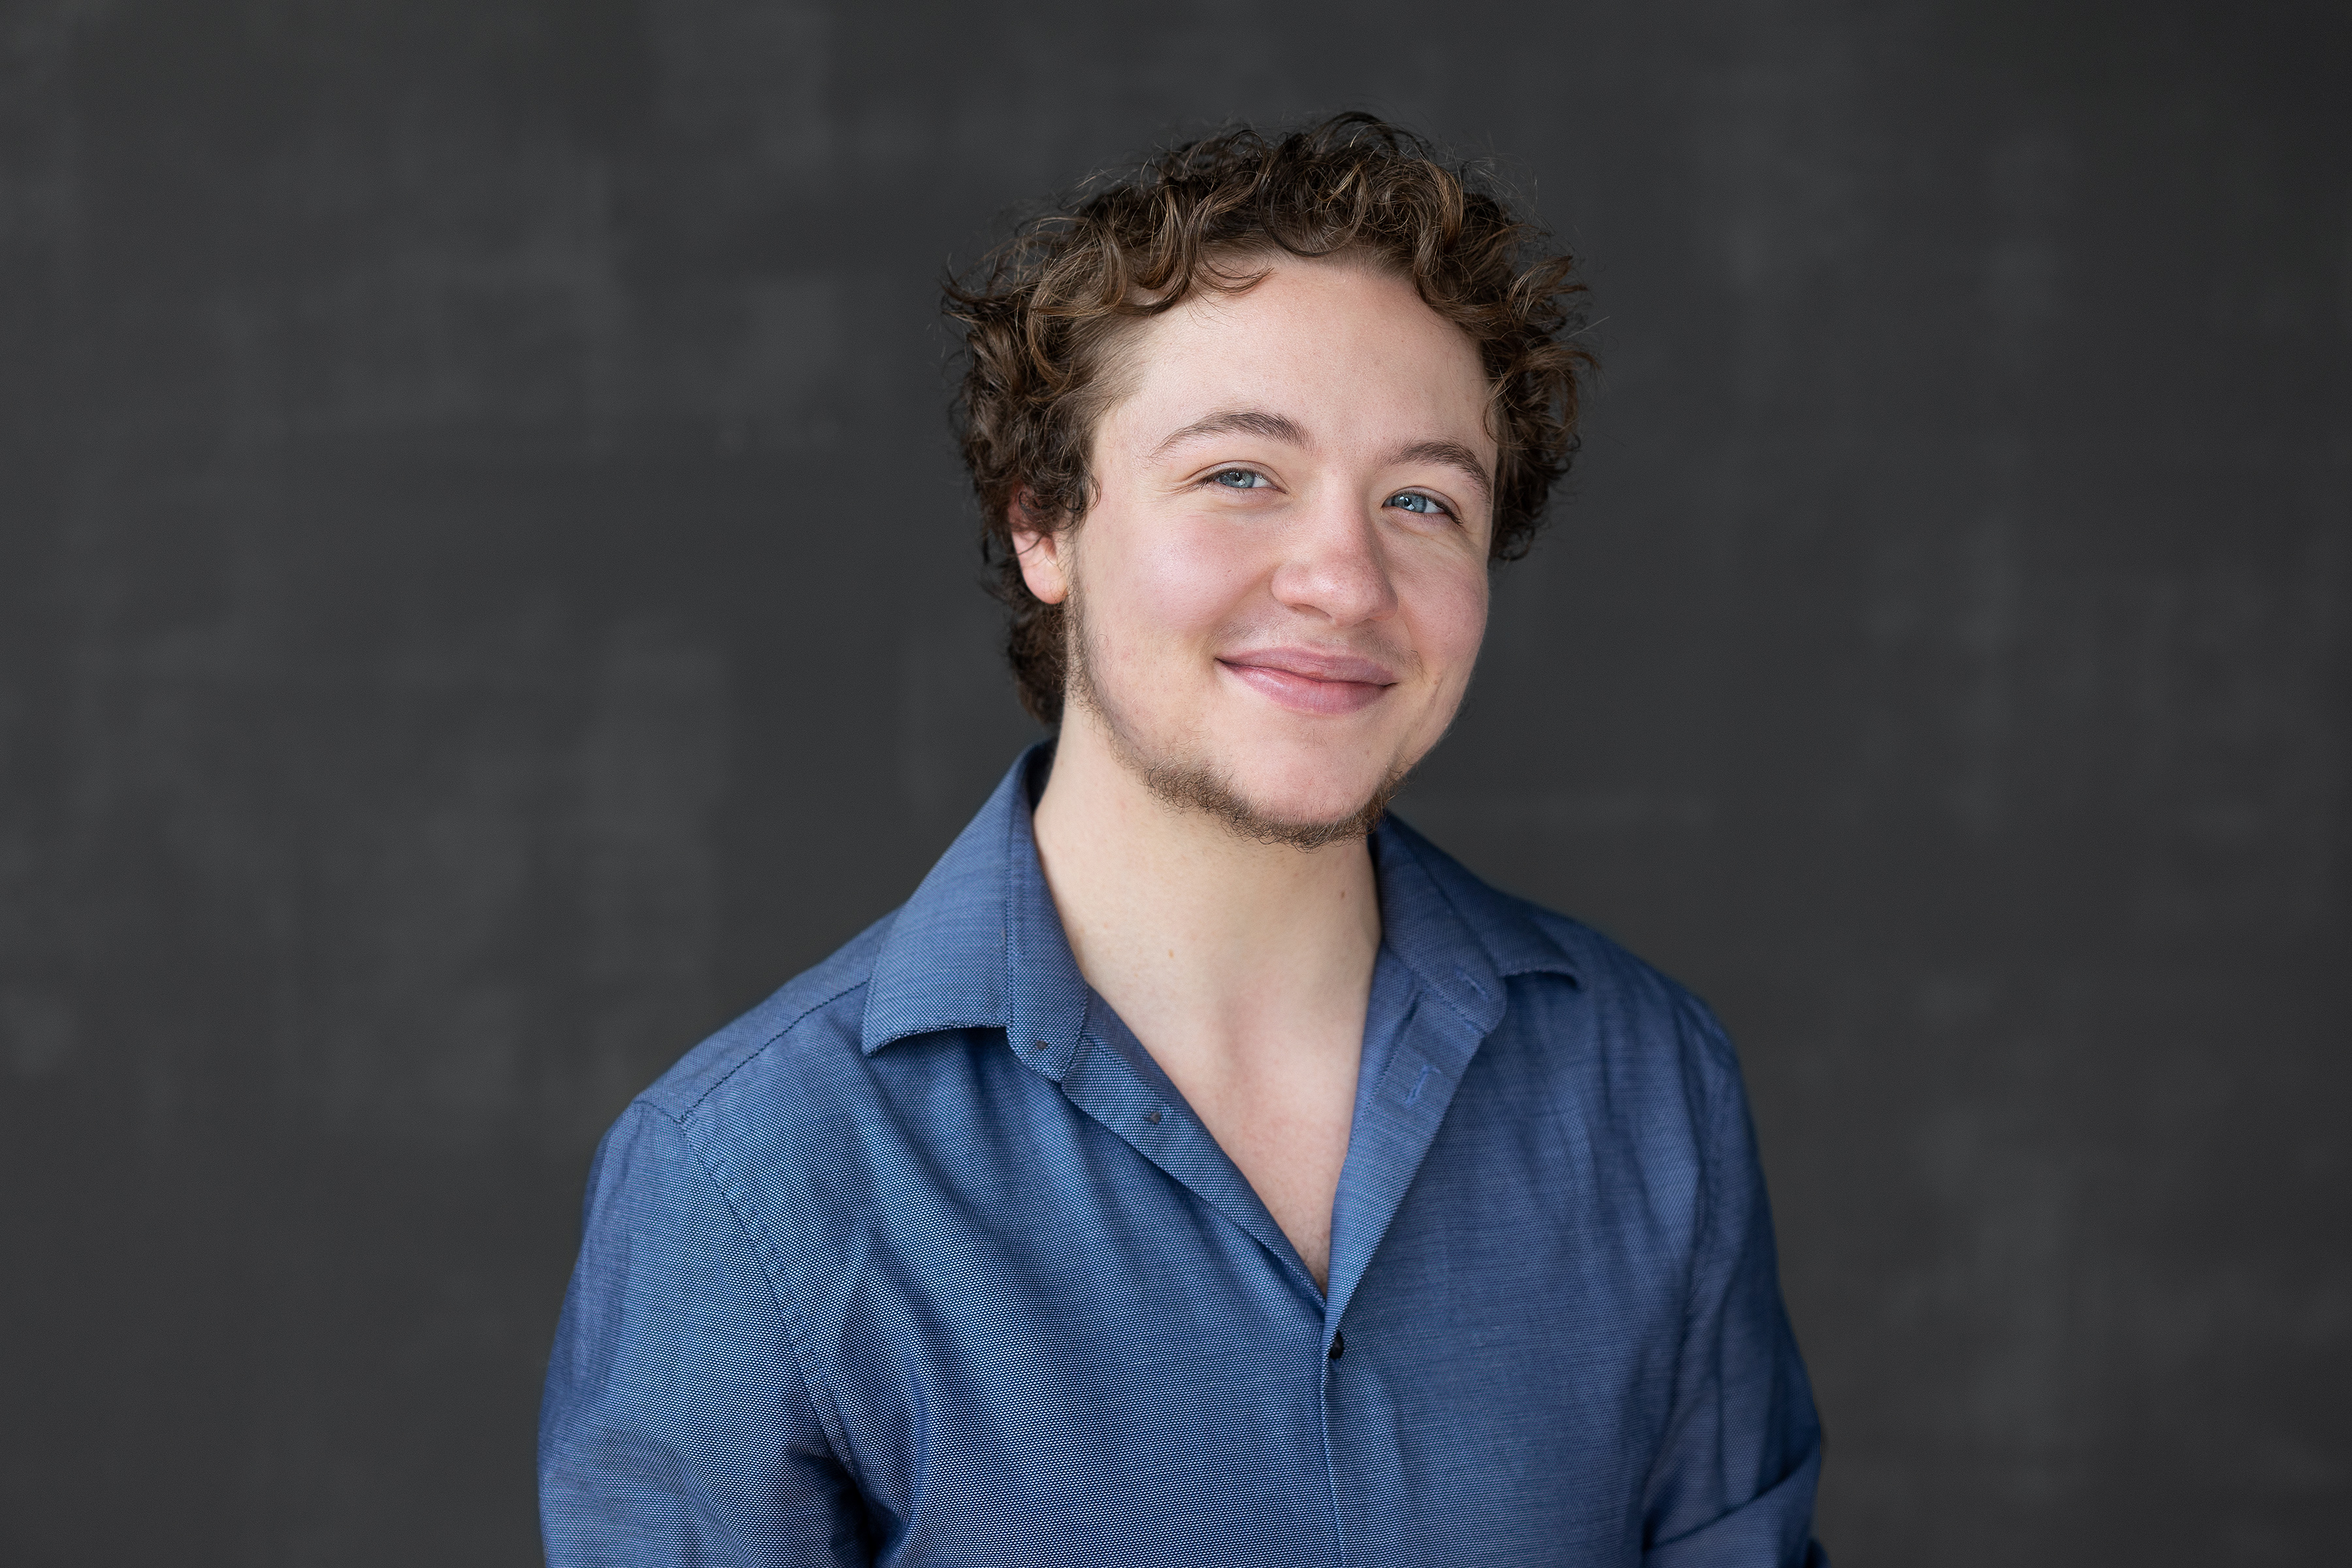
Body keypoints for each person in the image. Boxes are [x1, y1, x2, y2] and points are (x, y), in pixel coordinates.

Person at [538, 114, 1827, 1567]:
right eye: (1239, 474)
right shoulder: (750, 1183)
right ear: (1044, 523)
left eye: (1423, 500)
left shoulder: (1648, 1084)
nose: (1345, 580)